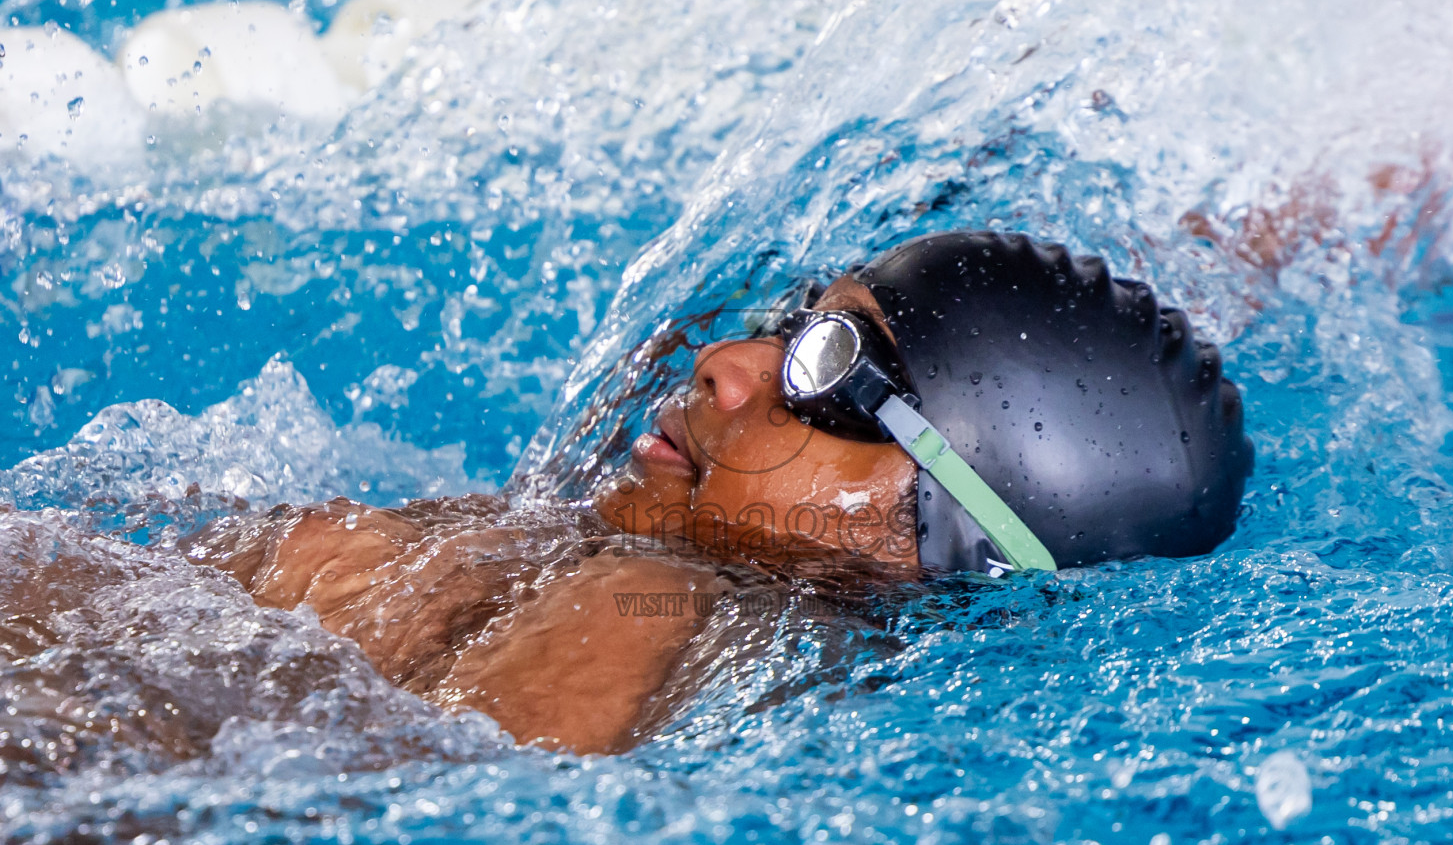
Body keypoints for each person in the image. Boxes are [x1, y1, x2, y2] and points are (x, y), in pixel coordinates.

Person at [178, 230, 1254, 754]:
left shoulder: (663, 602)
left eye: (829, 373)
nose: (727, 363)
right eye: (794, 322)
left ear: (958, 533)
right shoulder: (558, 550)